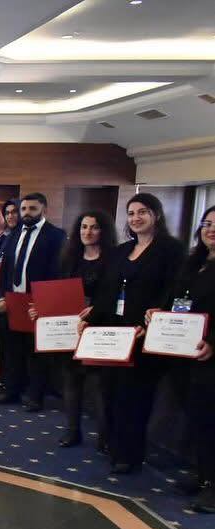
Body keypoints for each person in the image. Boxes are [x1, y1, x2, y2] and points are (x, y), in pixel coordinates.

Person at [82, 193, 183, 475]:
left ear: (156, 215)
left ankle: (129, 454)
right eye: (131, 213)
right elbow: (107, 291)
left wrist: (153, 321)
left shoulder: (171, 250)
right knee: (110, 391)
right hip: (114, 333)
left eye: (142, 212)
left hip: (143, 335)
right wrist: (92, 319)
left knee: (135, 397)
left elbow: (173, 291)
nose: (136, 218)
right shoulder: (121, 251)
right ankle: (113, 443)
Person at [0, 192, 67, 410]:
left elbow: (58, 272)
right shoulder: (14, 233)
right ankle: (12, 391)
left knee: (36, 353)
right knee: (12, 350)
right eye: (23, 209)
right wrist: (1, 296)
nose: (26, 213)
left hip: (38, 301)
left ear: (44, 210)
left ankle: (35, 396)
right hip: (13, 300)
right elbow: (5, 269)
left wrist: (46, 303)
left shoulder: (56, 235)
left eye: (32, 209)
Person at [56, 210, 116, 448]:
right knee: (71, 381)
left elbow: (114, 294)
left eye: (94, 227)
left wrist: (96, 311)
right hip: (71, 328)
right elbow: (58, 291)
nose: (87, 232)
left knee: (99, 385)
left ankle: (105, 436)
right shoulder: (69, 257)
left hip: (100, 327)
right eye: (83, 227)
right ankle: (72, 431)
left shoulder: (113, 259)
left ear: (104, 231)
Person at [170, 206, 215, 510]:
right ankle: (203, 475)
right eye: (207, 223)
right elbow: (181, 301)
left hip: (210, 355)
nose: (211, 229)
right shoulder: (195, 262)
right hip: (187, 350)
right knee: (197, 417)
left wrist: (214, 341)